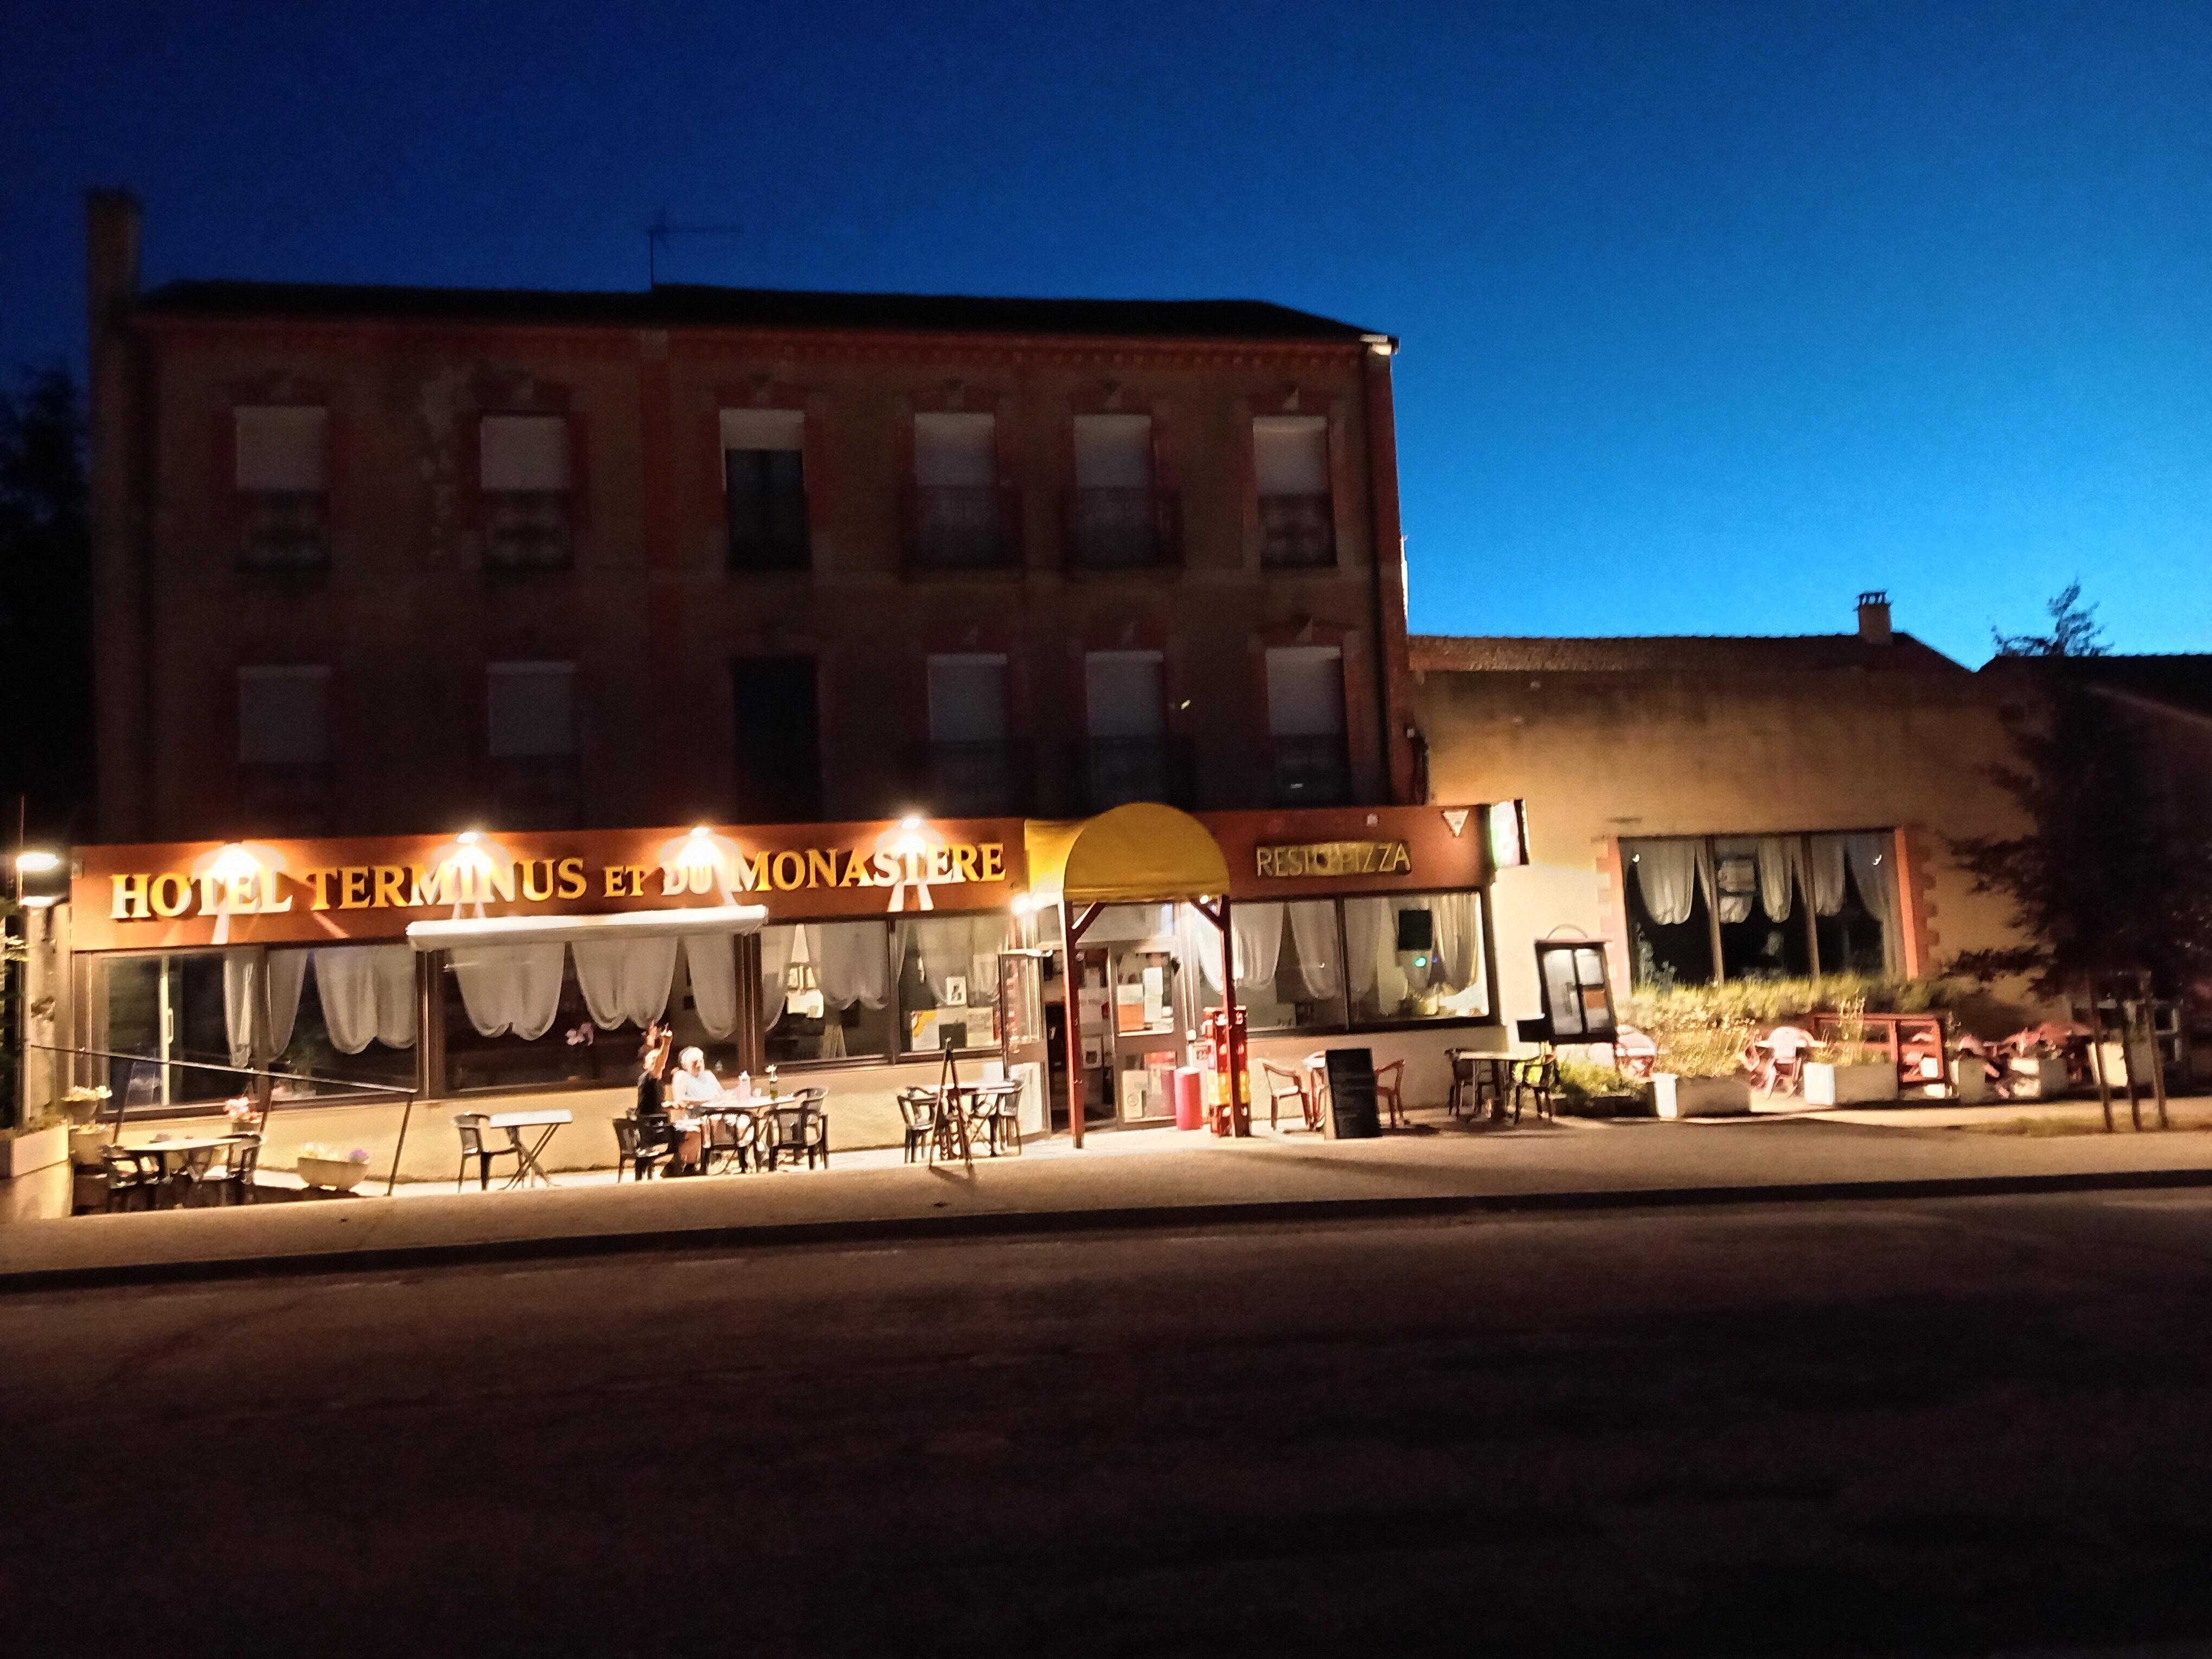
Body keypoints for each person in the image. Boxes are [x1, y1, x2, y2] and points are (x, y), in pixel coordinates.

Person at [635, 1021, 696, 1176]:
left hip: (654, 1128)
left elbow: (653, 1105)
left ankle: (682, 1166)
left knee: (696, 1129)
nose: (658, 1063)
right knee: (696, 1132)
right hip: (657, 1131)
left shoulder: (650, 1083)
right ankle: (678, 1167)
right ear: (645, 1066)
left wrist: (671, 1105)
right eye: (653, 1061)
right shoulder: (649, 1078)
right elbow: (658, 1067)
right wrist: (666, 1044)